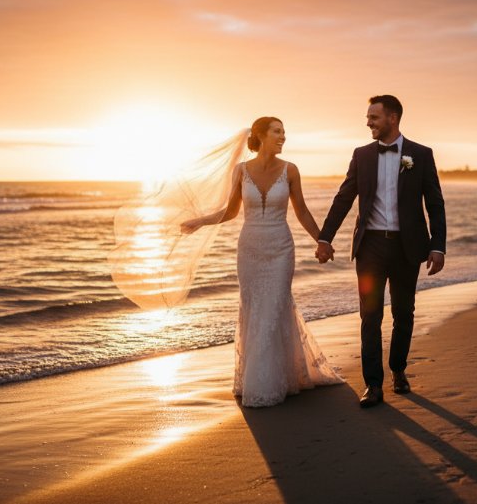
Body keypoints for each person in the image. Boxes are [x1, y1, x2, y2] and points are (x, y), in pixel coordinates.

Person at [181, 117, 343, 407]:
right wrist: (200, 221)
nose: (283, 137)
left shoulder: (290, 170)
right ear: (261, 135)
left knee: (275, 306)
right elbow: (229, 213)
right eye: (277, 132)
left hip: (281, 248)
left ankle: (270, 382)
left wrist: (323, 240)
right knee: (255, 309)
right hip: (250, 249)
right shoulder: (241, 171)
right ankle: (263, 378)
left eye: (284, 132)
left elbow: (302, 211)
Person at [316, 95, 446, 408]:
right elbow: (344, 198)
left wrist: (437, 246)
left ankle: (398, 369)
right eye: (368, 117)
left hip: (406, 247)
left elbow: (435, 203)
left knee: (404, 313)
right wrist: (325, 238)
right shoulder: (361, 155)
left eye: (374, 117)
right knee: (370, 315)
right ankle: (373, 385)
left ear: (392, 118)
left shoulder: (420, 155)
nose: (368, 123)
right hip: (370, 247)